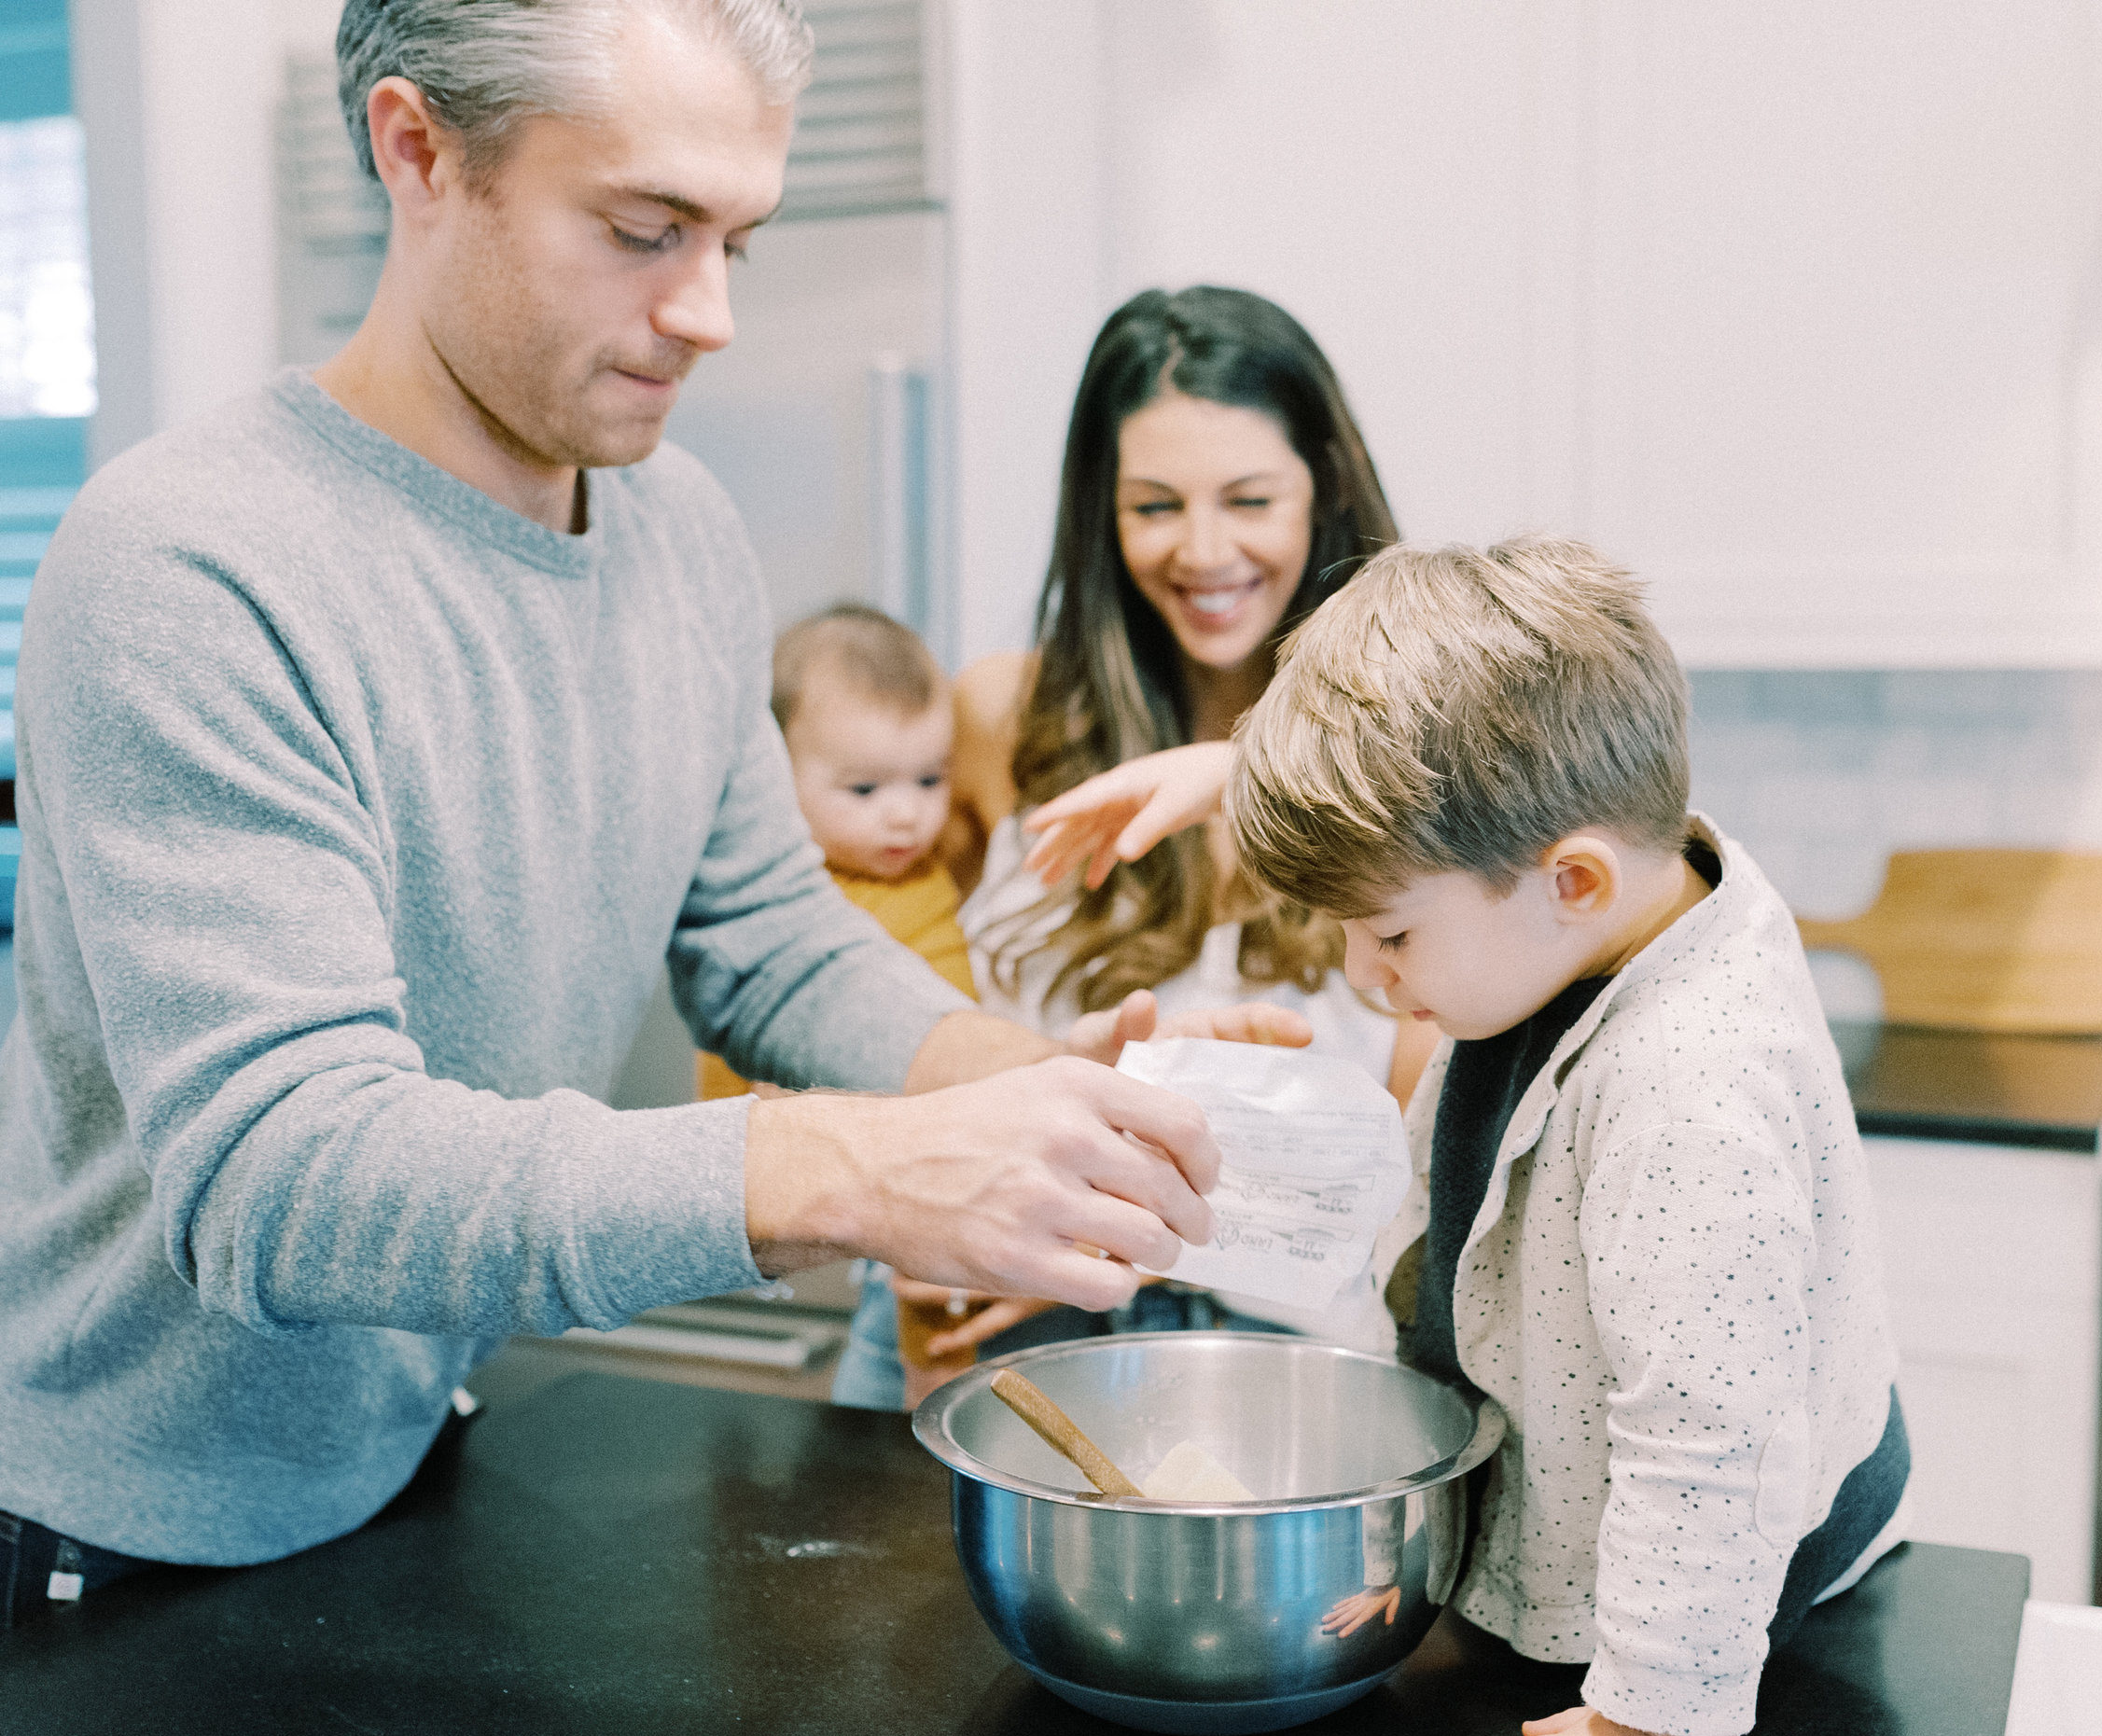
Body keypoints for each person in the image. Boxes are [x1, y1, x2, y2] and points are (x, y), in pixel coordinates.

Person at [0, 0, 1304, 1632]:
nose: (708, 313)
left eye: (738, 241)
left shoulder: (678, 526)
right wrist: (860, 1170)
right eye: (642, 230)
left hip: (417, 1430)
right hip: (127, 1528)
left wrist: (1026, 1086)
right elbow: (282, 1172)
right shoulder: (193, 567)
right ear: (420, 153)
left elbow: (761, 933)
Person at [1217, 535, 1908, 1736]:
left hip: (1710, 1582)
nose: (1361, 973)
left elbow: (1712, 1440)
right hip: (1561, 1498)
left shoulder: (1693, 1096)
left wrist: (1641, 1724)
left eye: (1386, 931)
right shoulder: (1596, 897)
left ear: (1571, 880)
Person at [829, 286, 1440, 1410]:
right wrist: (909, 1226)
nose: (1203, 552)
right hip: (1007, 1333)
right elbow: (888, 988)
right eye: (1155, 506)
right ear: (1100, 514)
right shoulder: (1003, 721)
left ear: (1326, 489)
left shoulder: (1413, 758)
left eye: (1250, 498)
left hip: (1293, 1369)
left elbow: (1417, 1154)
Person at [699, 603, 975, 1104]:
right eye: (864, 789)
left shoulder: (941, 857)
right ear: (774, 779)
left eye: (930, 779)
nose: (906, 814)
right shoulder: (772, 902)